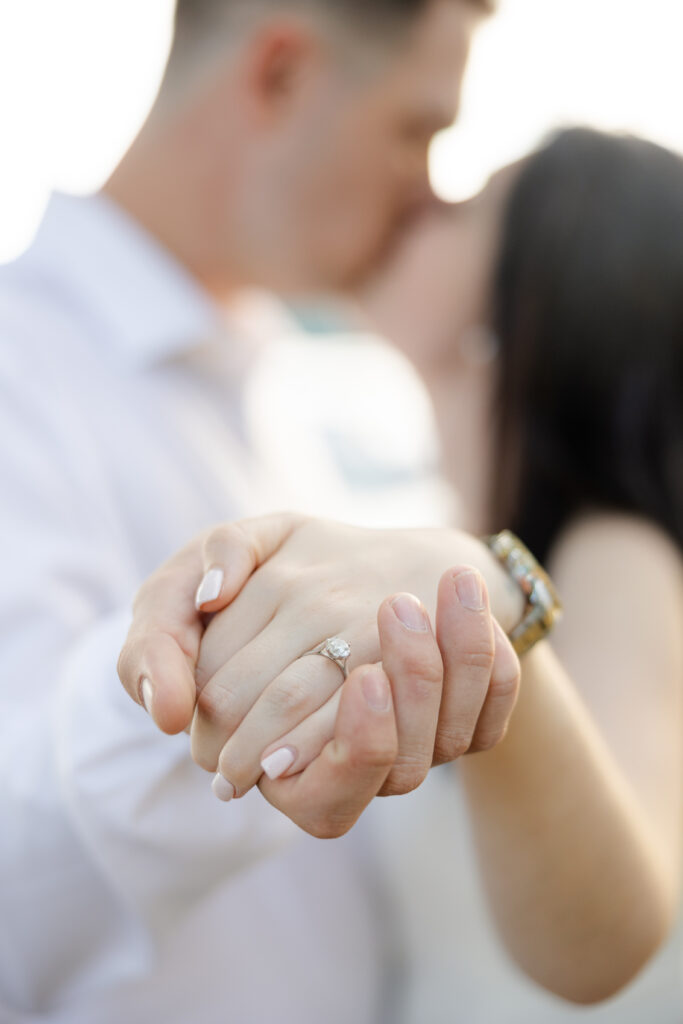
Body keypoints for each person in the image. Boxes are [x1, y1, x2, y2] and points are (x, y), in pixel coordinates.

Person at [0, 2, 529, 1022]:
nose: (430, 192)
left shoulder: (269, 386)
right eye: (416, 129)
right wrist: (227, 674)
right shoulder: (18, 376)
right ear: (279, 74)